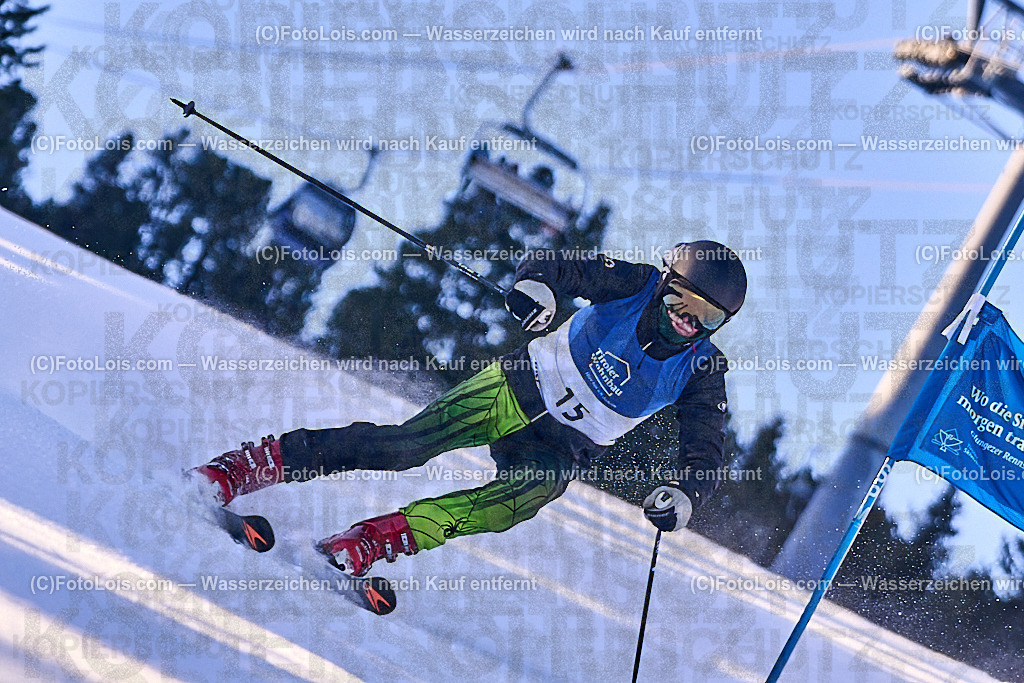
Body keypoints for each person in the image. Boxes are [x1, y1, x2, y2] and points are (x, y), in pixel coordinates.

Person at [190, 241, 747, 576]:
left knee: (513, 504)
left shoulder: (702, 368)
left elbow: (706, 447)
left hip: (561, 449)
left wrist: (687, 493)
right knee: (405, 447)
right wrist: (538, 287)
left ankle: (374, 539)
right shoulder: (634, 283)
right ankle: (251, 466)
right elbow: (563, 267)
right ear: (666, 282)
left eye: (708, 318)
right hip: (517, 389)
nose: (688, 322)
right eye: (683, 301)